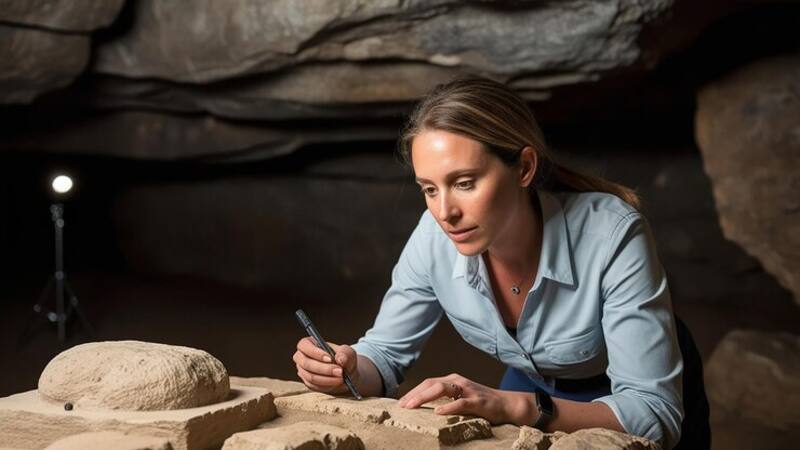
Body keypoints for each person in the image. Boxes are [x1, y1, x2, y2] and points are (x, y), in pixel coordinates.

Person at [293, 76, 702, 449]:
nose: (445, 212)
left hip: (622, 392)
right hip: (528, 386)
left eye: (465, 183)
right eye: (429, 189)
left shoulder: (613, 235)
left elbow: (654, 415)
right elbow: (382, 355)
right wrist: (345, 369)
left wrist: (519, 407)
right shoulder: (433, 235)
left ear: (524, 167)